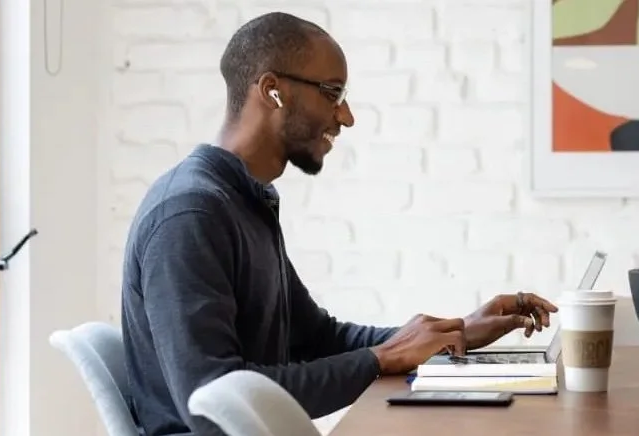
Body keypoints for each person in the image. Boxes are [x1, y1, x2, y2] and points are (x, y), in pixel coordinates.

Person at [119, 12, 559, 436]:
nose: (345, 116)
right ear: (273, 91)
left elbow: (316, 338)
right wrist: (380, 359)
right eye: (332, 93)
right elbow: (213, 401)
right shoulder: (189, 215)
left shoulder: (242, 201)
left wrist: (454, 332)